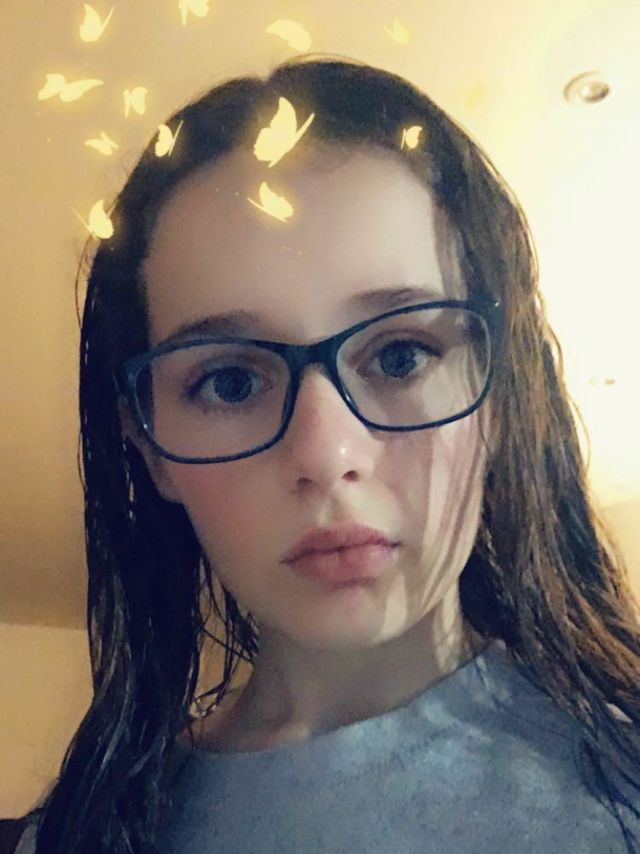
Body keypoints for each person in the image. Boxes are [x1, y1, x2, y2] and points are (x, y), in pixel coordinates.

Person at [15, 54, 640, 854]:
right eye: (231, 381)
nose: (326, 452)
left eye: (401, 356)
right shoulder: (75, 837)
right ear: (148, 445)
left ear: (500, 394)